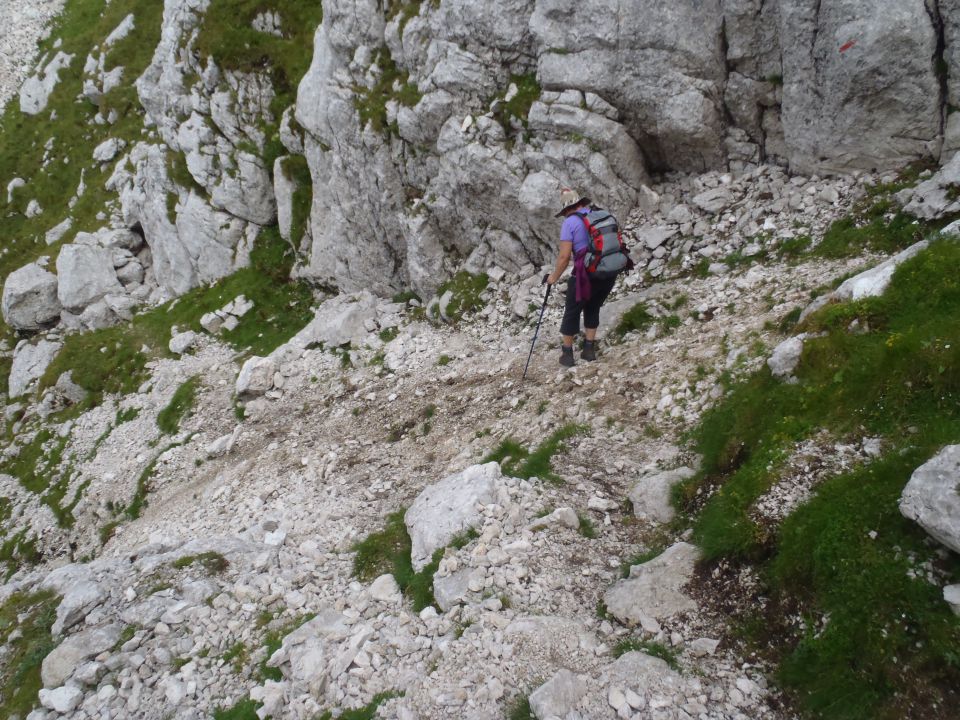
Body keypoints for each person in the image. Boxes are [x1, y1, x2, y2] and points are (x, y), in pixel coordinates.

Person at [545, 188, 619, 367]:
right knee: (593, 307)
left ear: (566, 209)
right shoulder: (599, 214)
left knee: (572, 310)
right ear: (581, 203)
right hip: (608, 270)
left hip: (585, 274)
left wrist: (553, 278)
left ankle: (568, 355)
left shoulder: (570, 223)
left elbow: (564, 257)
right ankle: (588, 350)